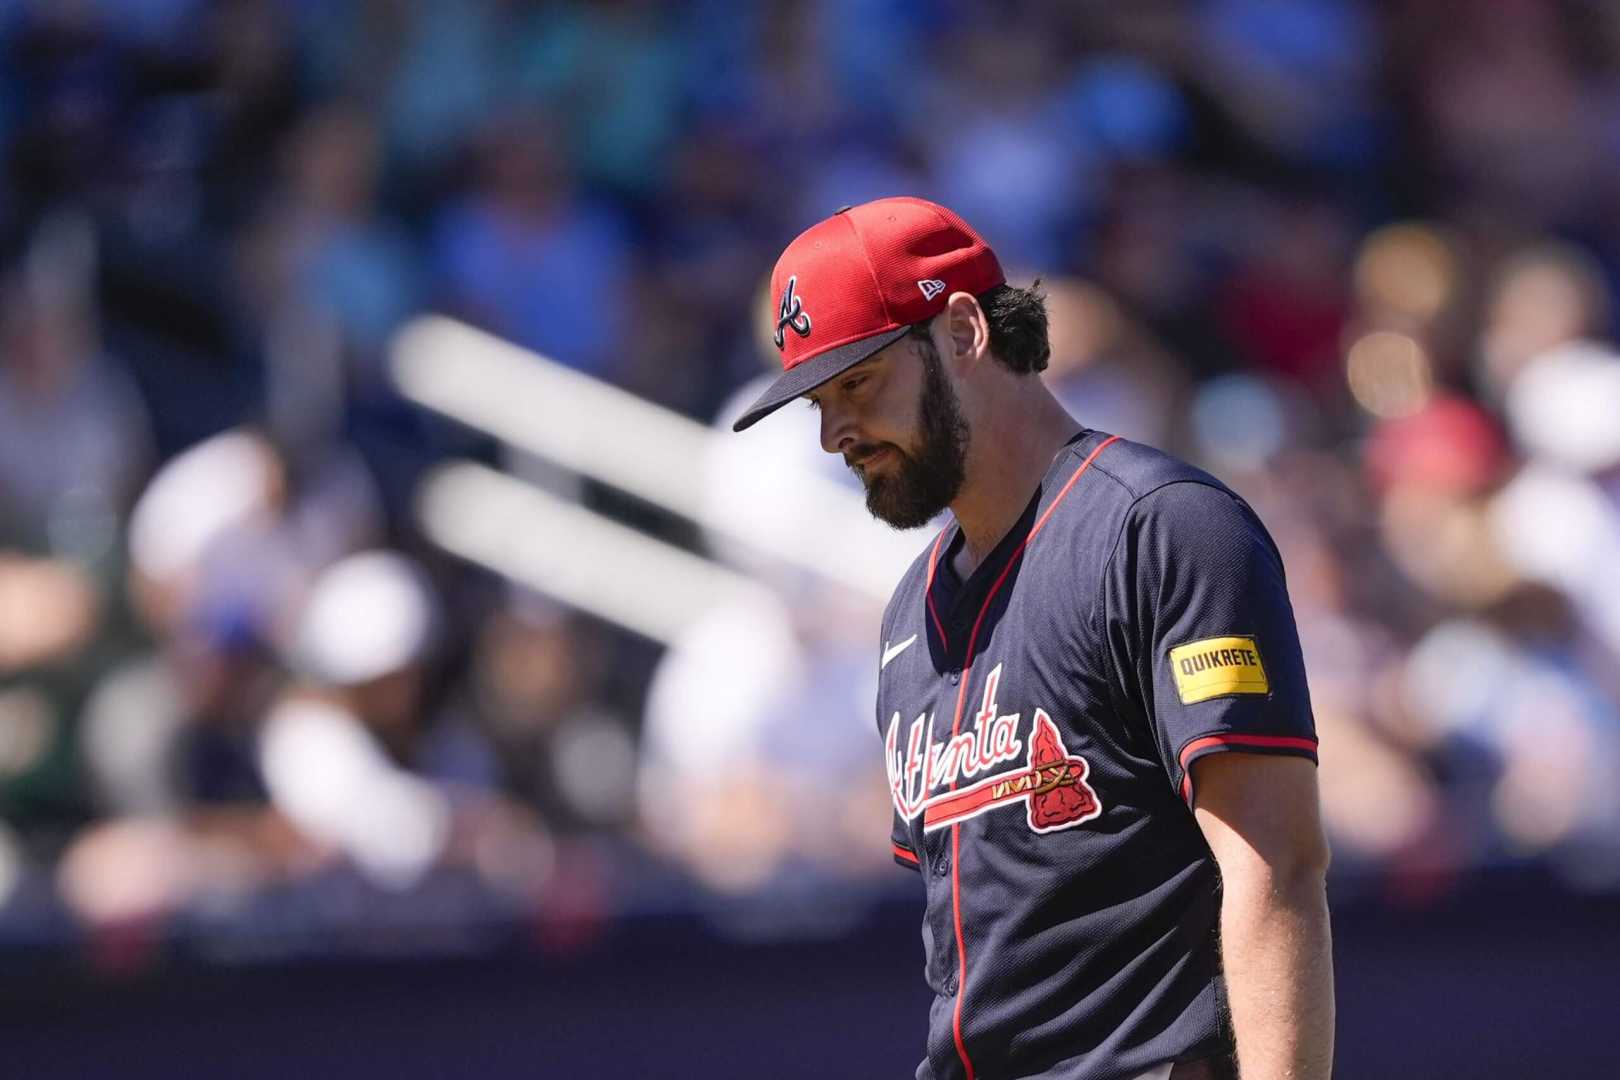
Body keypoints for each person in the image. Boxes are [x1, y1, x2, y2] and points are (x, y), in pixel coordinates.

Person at [732, 197, 1333, 1080]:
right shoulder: (910, 613)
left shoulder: (1160, 530)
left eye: (856, 383)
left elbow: (1276, 865)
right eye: (818, 402)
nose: (835, 435)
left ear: (966, 332)